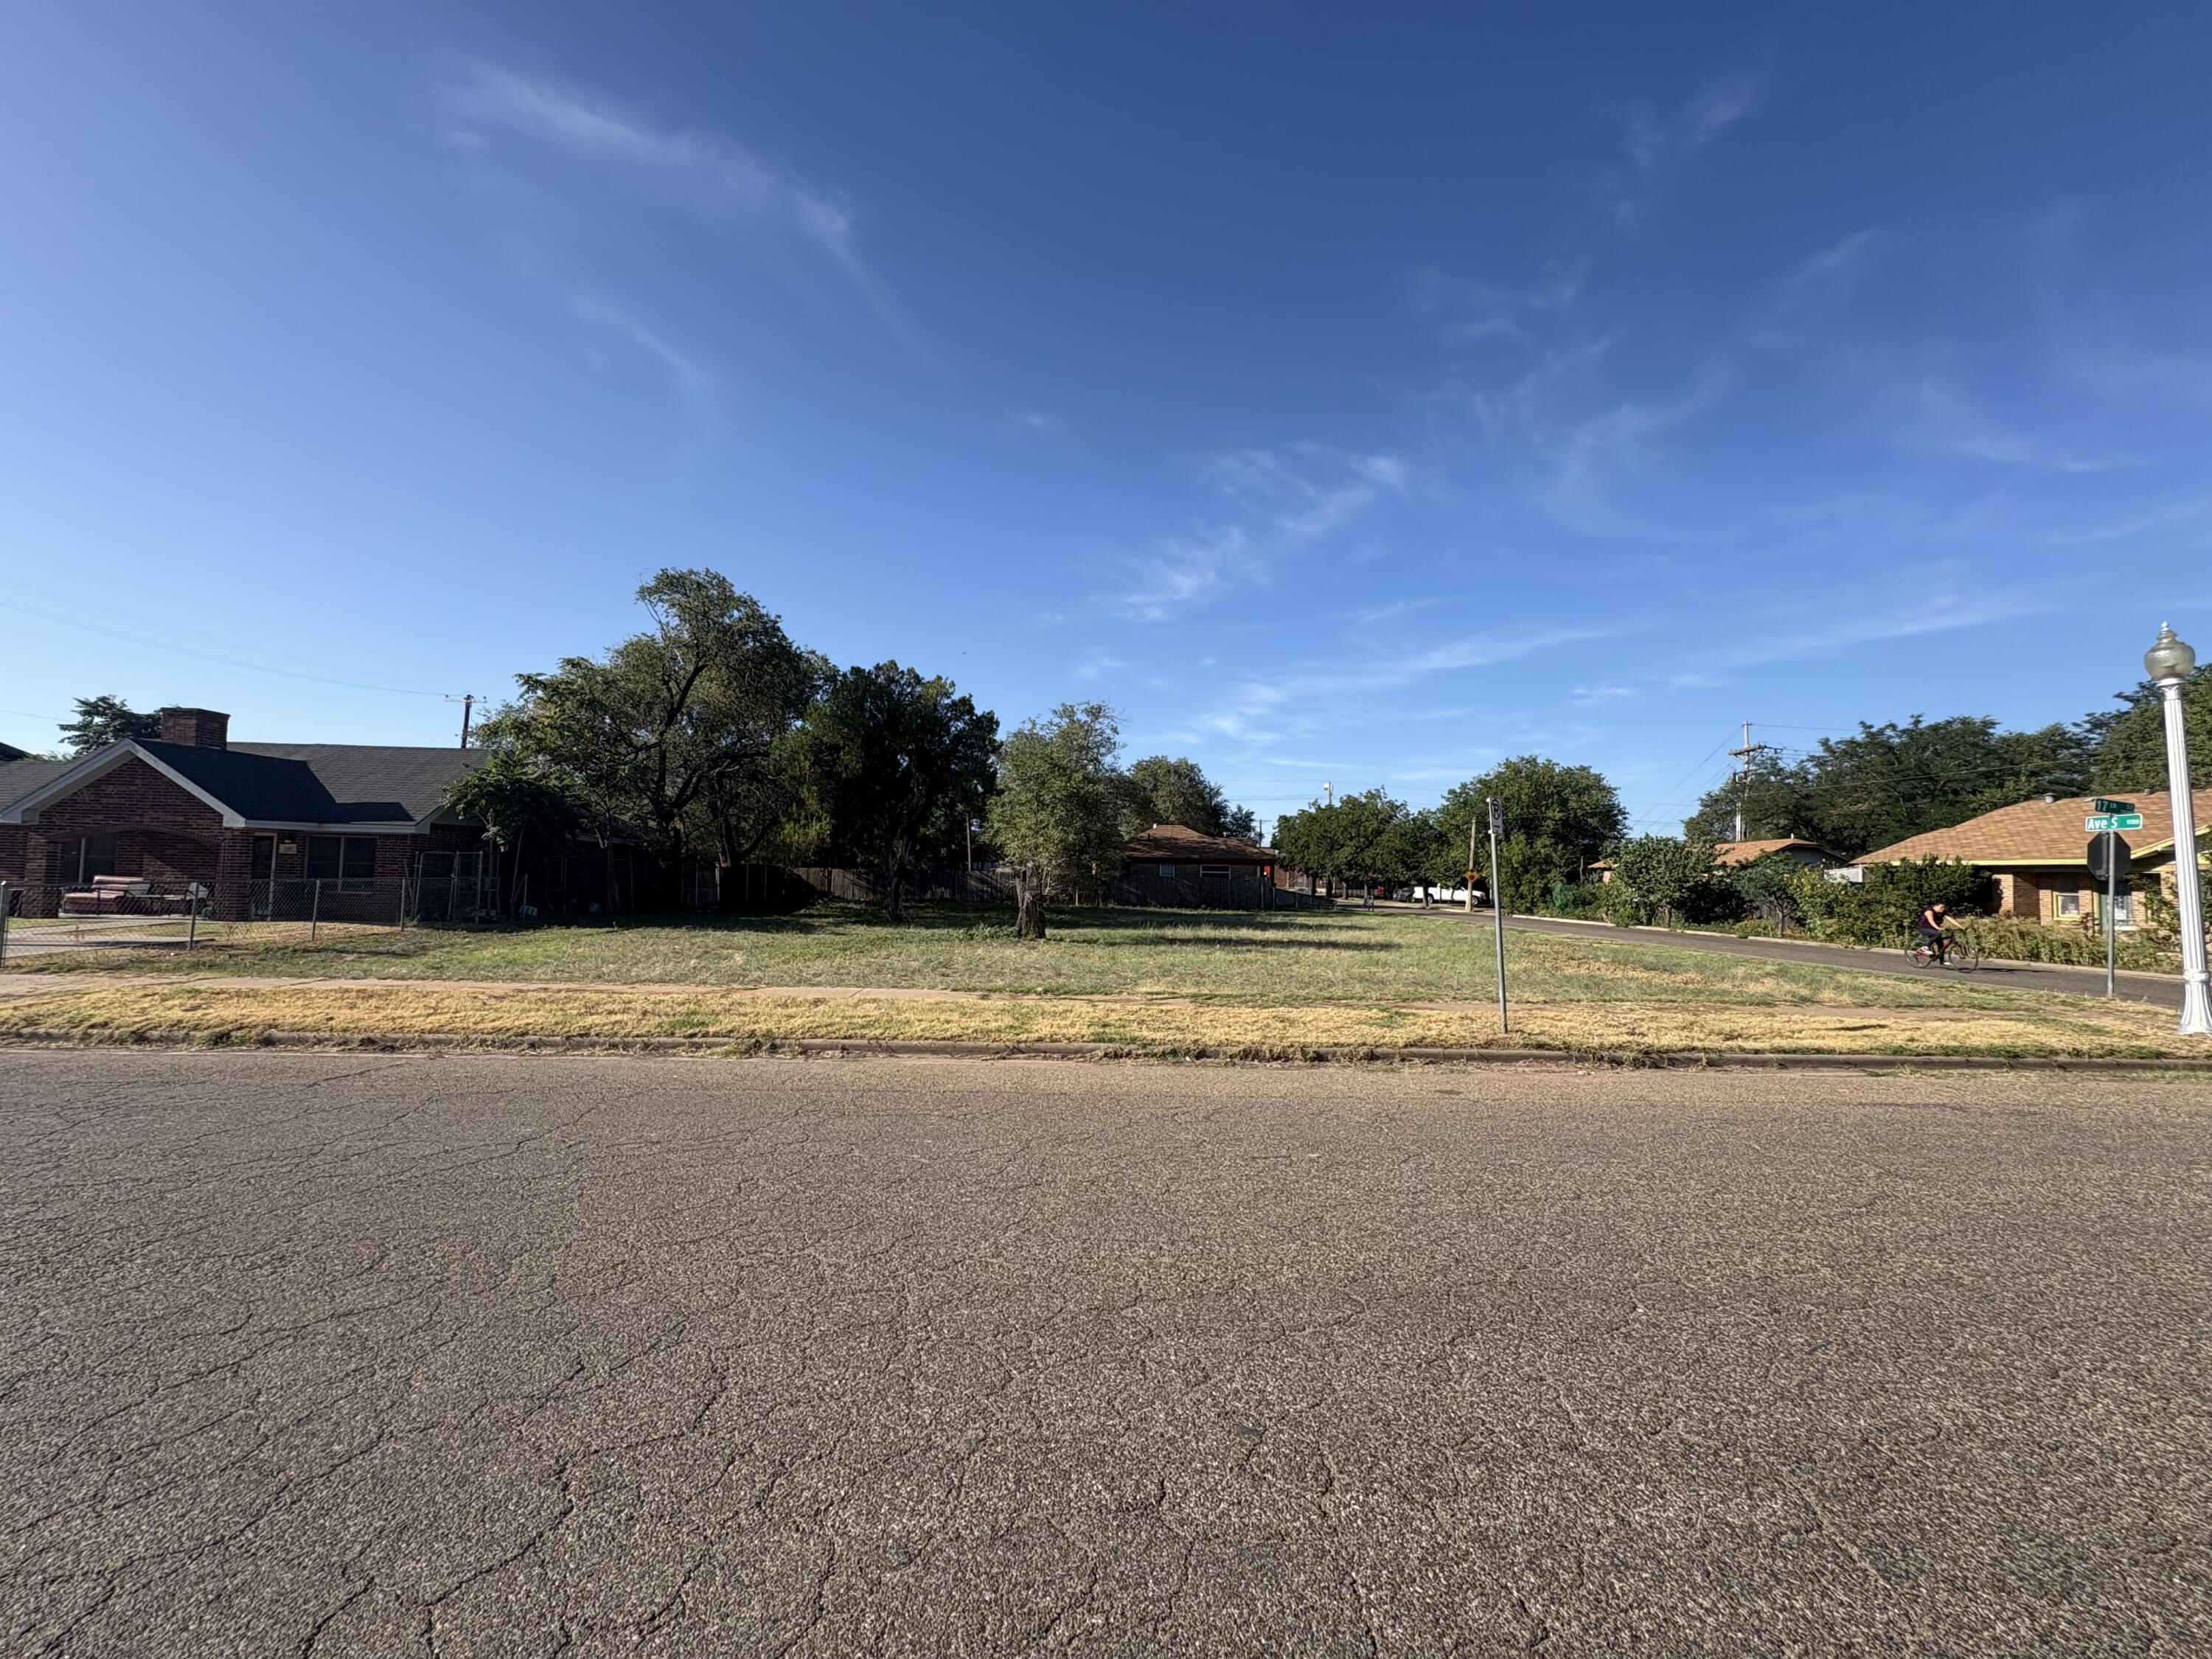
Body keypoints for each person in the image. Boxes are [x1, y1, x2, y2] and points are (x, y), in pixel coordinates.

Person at [1915, 900, 1951, 964]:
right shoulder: (1929, 911)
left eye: (1944, 907)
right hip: (1923, 927)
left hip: (1931, 928)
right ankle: (1926, 947)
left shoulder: (1940, 913)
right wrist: (1938, 928)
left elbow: (1951, 919)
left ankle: (1942, 961)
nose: (1943, 909)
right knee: (1937, 934)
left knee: (1941, 944)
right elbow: (1931, 921)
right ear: (1936, 906)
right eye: (1941, 907)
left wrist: (1961, 927)